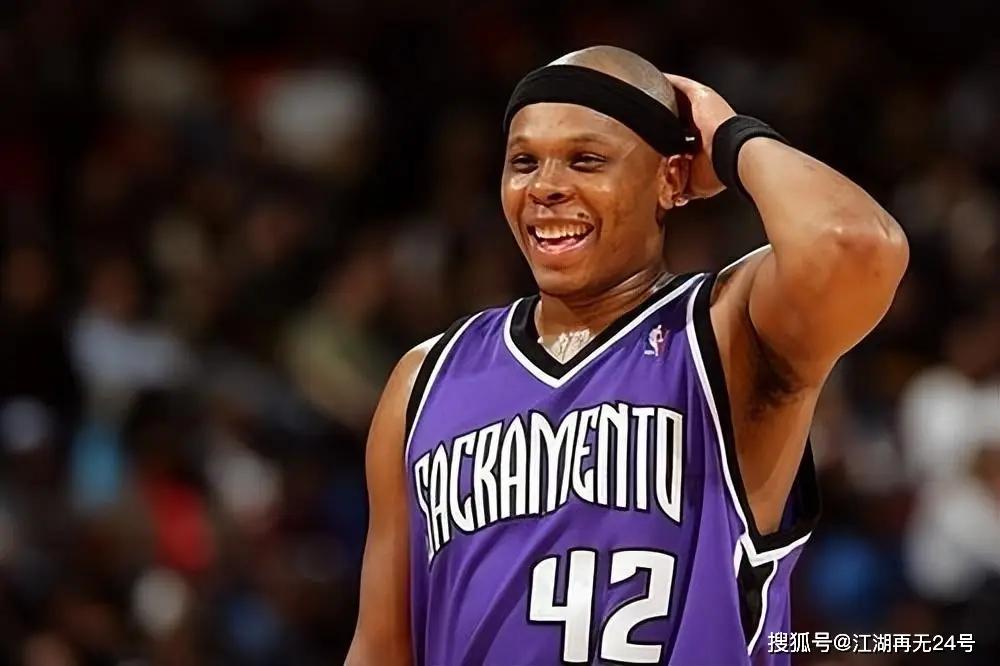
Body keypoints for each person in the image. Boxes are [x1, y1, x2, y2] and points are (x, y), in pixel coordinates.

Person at [347, 45, 908, 665]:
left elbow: (855, 244)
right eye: (524, 162)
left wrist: (730, 136)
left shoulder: (726, 334)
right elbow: (379, 649)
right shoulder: (426, 378)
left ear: (670, 179)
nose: (546, 187)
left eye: (586, 160)